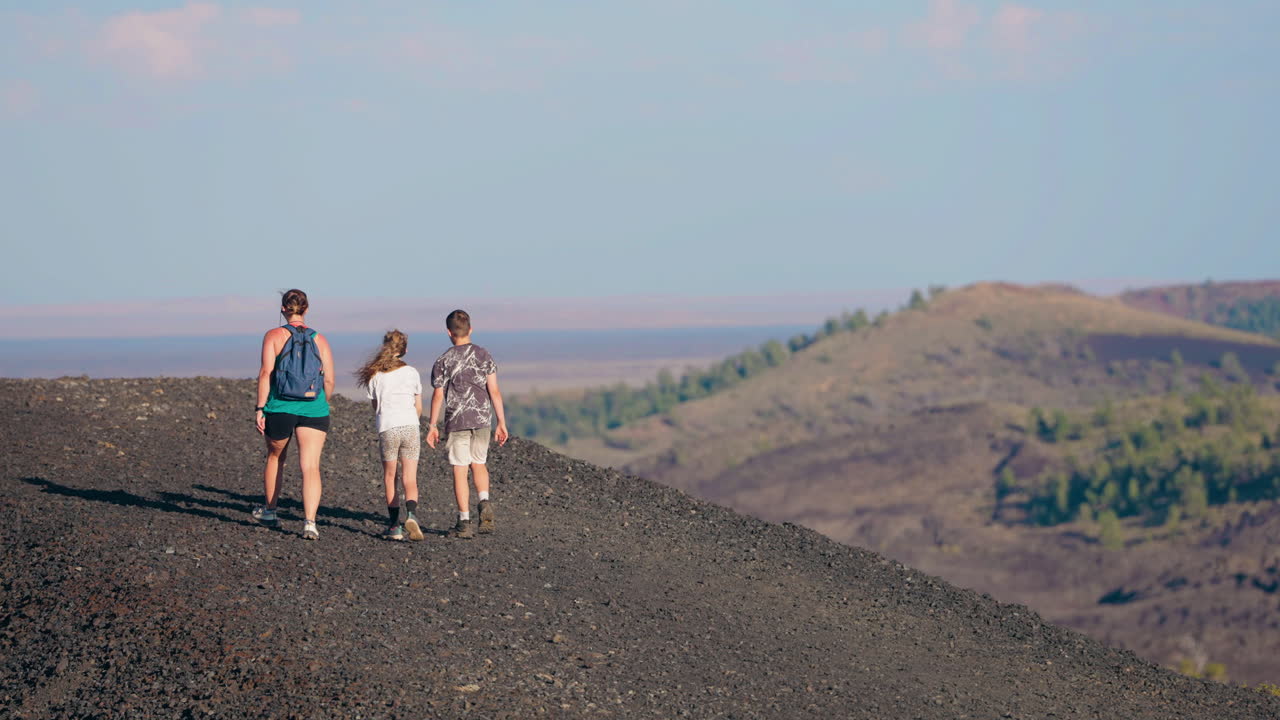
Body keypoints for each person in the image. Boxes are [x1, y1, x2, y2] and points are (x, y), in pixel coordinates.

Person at [252, 288, 334, 541]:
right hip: (314, 409)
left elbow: (266, 372)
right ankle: (309, 523)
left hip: (280, 407)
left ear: (282, 309)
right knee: (310, 466)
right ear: (306, 309)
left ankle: (270, 511)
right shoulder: (319, 339)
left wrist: (260, 407)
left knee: (276, 457)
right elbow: (329, 380)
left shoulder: (273, 335)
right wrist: (320, 403)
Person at [426, 309, 508, 539]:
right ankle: (484, 501)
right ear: (470, 329)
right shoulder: (484, 355)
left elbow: (438, 396)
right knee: (479, 463)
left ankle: (464, 521)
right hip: (482, 419)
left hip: (457, 420)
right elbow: (494, 391)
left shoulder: (444, 360)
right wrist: (501, 421)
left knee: (460, 470)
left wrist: (432, 424)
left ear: (449, 333)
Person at [355, 329, 424, 542]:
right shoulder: (411, 372)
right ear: (405, 349)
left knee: (390, 476)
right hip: (410, 426)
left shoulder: (375, 375)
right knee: (409, 476)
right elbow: (418, 407)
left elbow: (376, 407)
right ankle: (411, 514)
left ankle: (394, 526)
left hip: (388, 427)